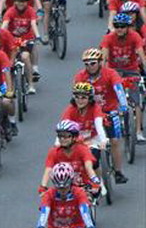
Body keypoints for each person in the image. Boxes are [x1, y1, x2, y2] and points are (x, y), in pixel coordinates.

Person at [74, 48, 129, 183]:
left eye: (92, 63)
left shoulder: (110, 73)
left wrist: (123, 105)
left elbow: (119, 89)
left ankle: (118, 171)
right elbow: (77, 98)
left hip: (110, 111)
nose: (89, 67)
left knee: (115, 140)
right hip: (91, 113)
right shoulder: (80, 77)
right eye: (86, 64)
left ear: (100, 62)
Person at [101, 13, 146, 142]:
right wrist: (103, 74)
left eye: (122, 26)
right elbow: (103, 58)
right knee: (111, 99)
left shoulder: (135, 36)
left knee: (136, 101)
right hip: (114, 71)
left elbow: (142, 56)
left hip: (131, 71)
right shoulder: (109, 38)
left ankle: (137, 132)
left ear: (128, 27)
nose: (119, 29)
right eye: (116, 26)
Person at [39, 120, 100, 192]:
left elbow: (88, 167)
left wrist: (95, 180)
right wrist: (43, 186)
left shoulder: (83, 149)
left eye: (66, 136)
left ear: (74, 137)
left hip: (83, 186)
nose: (62, 139)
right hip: (62, 188)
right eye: (60, 136)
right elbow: (48, 170)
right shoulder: (54, 152)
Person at [60, 82, 108, 174]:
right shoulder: (70, 110)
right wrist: (58, 143)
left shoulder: (95, 108)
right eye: (77, 97)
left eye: (83, 97)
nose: (79, 100)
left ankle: (99, 183)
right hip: (76, 140)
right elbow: (63, 127)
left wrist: (103, 140)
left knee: (93, 162)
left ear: (90, 99)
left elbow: (99, 125)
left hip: (93, 139)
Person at [1, 0, 42, 93]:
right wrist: (0, 35)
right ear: (15, 1)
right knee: (9, 62)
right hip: (12, 41)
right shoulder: (10, 11)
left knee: (25, 56)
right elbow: (5, 24)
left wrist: (37, 35)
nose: (21, 3)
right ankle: (9, 85)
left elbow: (33, 23)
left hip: (26, 40)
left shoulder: (30, 10)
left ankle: (31, 84)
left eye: (23, 1)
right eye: (18, 0)